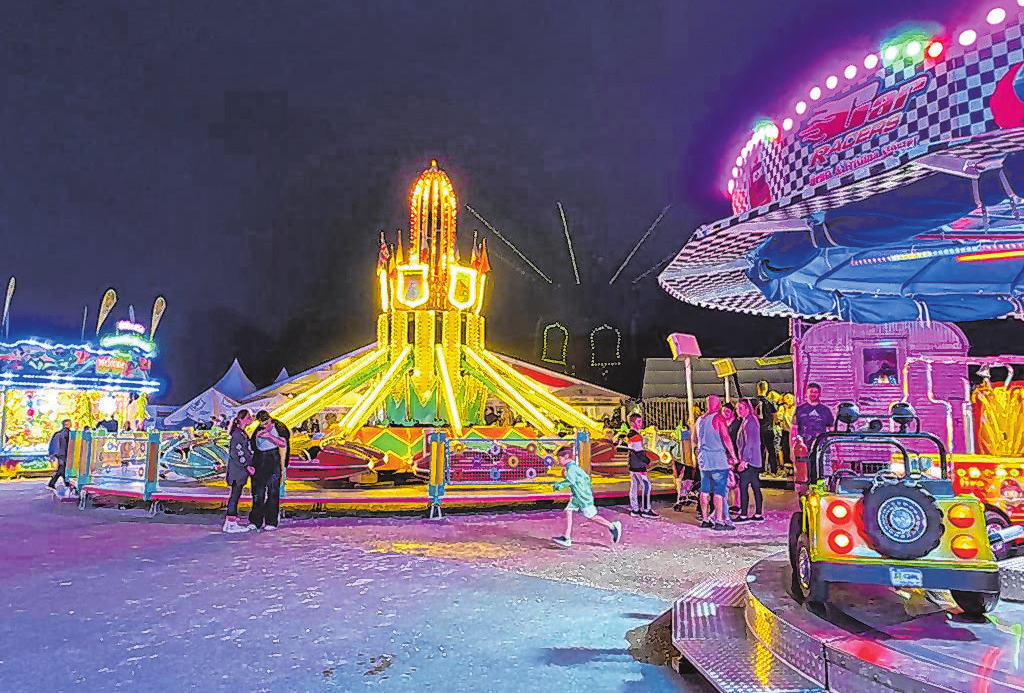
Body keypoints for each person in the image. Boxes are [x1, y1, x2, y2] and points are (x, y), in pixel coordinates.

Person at [550, 445, 622, 547]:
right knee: (569, 511)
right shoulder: (572, 467)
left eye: (559, 458)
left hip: (582, 497)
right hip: (578, 496)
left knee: (592, 516)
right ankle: (567, 537)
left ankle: (612, 526)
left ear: (566, 456)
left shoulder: (572, 469)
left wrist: (558, 485)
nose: (558, 461)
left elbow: (570, 481)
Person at [693, 395, 739, 530]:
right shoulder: (718, 418)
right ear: (717, 405)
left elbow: (695, 439)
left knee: (705, 489)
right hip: (717, 458)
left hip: (703, 458)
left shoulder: (699, 420)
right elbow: (726, 438)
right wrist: (734, 456)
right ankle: (719, 520)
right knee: (719, 490)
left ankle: (706, 518)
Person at [248, 411, 288, 531]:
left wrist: (269, 436)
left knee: (273, 492)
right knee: (257, 493)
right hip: (260, 460)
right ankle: (255, 520)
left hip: (273, 459)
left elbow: (283, 443)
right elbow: (253, 445)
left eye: (267, 423)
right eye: (262, 423)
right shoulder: (258, 430)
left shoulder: (279, 428)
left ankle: (271, 521)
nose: (265, 425)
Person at [793, 383, 834, 494]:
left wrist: (832, 448)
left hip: (822, 447)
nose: (813, 394)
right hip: (804, 448)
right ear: (807, 393)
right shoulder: (800, 410)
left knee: (821, 473)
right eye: (811, 392)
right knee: (804, 476)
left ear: (819, 394)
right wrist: (797, 443)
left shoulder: (825, 411)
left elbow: (831, 428)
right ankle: (804, 498)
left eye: (815, 392)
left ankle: (820, 494)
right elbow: (795, 428)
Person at [223, 410, 255, 533]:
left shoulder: (241, 433)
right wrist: (247, 465)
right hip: (238, 470)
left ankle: (231, 521)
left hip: (238, 469)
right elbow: (238, 452)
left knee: (236, 494)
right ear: (241, 419)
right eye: (248, 417)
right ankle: (230, 522)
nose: (250, 419)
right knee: (235, 495)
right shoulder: (238, 434)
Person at [734, 399, 764, 522]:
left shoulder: (749, 421)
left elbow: (750, 443)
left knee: (744, 486)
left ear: (747, 408)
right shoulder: (747, 421)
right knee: (755, 485)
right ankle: (757, 513)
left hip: (750, 460)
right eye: (737, 408)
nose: (738, 411)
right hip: (753, 459)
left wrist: (744, 461)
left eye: (741, 408)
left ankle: (744, 513)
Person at [626, 413, 656, 518]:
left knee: (634, 487)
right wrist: (647, 461)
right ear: (632, 423)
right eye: (638, 421)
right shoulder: (636, 436)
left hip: (633, 464)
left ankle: (635, 508)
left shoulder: (630, 435)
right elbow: (639, 452)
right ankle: (646, 509)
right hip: (639, 465)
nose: (641, 423)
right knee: (646, 486)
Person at [752, 381, 779, 476]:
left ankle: (761, 467)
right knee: (771, 450)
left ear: (757, 389)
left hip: (757, 430)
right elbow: (775, 417)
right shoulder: (770, 403)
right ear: (766, 389)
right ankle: (773, 469)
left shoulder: (752, 402)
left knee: (759, 449)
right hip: (768, 429)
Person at [46, 418, 72, 492]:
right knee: (62, 470)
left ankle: (54, 483)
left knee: (62, 470)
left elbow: (54, 445)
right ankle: (66, 484)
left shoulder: (58, 434)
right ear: (66, 424)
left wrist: (54, 455)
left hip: (61, 454)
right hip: (64, 454)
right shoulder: (66, 434)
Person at [778, 392, 796, 476]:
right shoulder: (783, 408)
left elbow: (791, 423)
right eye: (786, 398)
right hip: (785, 432)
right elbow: (779, 419)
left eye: (790, 398)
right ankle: (787, 468)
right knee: (785, 449)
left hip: (793, 432)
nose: (788, 400)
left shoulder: (795, 409)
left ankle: (793, 467)